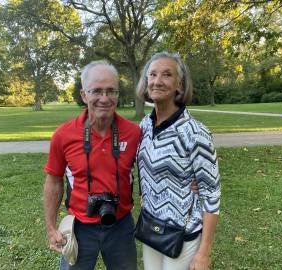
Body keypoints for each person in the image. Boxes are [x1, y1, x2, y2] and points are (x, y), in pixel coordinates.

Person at [43, 60, 141, 270]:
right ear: (83, 95)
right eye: (96, 91)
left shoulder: (134, 133)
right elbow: (53, 180)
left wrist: (189, 181)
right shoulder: (64, 135)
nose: (104, 98)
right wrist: (51, 227)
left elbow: (154, 169)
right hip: (79, 227)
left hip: (120, 225)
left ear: (117, 94)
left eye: (111, 91)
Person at [136, 51, 221, 270]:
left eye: (166, 75)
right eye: (152, 75)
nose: (157, 81)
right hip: (151, 225)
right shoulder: (144, 126)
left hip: (182, 235)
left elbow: (211, 194)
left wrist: (204, 252)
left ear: (179, 85)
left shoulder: (195, 132)